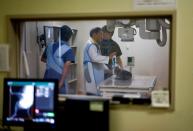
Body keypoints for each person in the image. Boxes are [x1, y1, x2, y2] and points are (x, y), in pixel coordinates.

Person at [41, 25, 75, 94]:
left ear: (59, 34)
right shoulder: (68, 49)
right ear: (69, 37)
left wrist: (51, 63)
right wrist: (60, 84)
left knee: (48, 100)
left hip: (47, 78)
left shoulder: (49, 45)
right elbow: (66, 67)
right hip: (59, 80)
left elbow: (42, 59)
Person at [83, 27, 116, 95]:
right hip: (92, 73)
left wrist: (108, 70)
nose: (102, 36)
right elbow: (95, 58)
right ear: (94, 34)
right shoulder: (90, 45)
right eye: (101, 34)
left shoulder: (95, 45)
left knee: (97, 92)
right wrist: (109, 57)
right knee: (93, 93)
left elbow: (100, 61)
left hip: (97, 73)